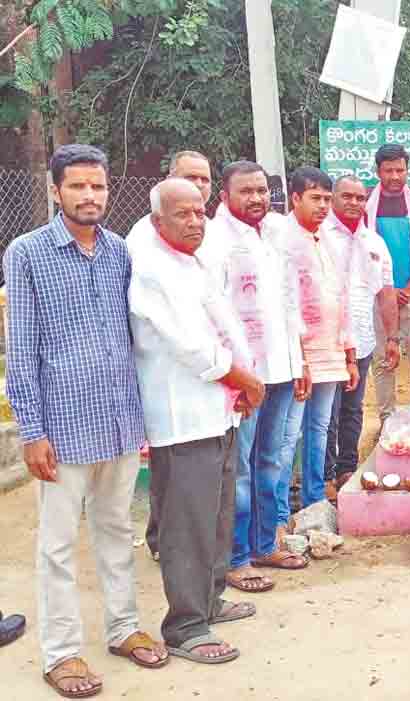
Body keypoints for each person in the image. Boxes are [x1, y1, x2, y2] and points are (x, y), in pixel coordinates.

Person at [4, 144, 168, 698]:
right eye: (77, 186)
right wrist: (32, 430)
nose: (89, 196)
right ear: (56, 191)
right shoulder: (27, 253)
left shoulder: (121, 252)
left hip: (120, 421)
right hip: (61, 428)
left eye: (97, 186)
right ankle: (62, 653)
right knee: (55, 546)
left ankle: (122, 628)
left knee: (116, 532)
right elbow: (21, 349)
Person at [129, 179, 266, 663]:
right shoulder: (149, 269)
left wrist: (245, 383)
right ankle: (184, 626)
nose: (193, 222)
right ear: (157, 220)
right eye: (181, 215)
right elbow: (189, 345)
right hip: (183, 414)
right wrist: (244, 380)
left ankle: (209, 600)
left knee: (217, 512)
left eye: (198, 213)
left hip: (220, 410)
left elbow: (225, 323)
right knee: (187, 523)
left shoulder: (193, 263)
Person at [200, 160, 311, 593]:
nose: (257, 198)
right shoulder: (215, 240)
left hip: (281, 370)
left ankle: (265, 545)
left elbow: (289, 301)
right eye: (246, 191)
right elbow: (212, 313)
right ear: (224, 196)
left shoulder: (274, 234)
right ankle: (236, 557)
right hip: (245, 378)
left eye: (262, 190)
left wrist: (298, 362)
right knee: (240, 468)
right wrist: (237, 377)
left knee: (272, 461)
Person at [130, 149, 215, 561]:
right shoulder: (144, 239)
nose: (199, 187)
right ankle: (164, 545)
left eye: (205, 181)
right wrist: (231, 371)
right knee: (173, 477)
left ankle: (180, 553)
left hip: (212, 386)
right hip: (174, 381)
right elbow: (174, 330)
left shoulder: (204, 232)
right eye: (190, 178)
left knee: (195, 487)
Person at [275, 168, 359, 526]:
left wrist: (350, 354)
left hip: (331, 351)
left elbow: (343, 298)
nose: (324, 206)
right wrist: (298, 359)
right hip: (299, 355)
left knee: (320, 429)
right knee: (287, 435)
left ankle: (313, 501)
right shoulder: (282, 239)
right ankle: (278, 512)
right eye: (316, 198)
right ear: (295, 199)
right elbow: (284, 303)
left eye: (327, 199)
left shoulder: (329, 240)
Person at [322, 175, 400, 492]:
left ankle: (346, 470)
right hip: (326, 344)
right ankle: (323, 477)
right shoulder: (319, 237)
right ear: (332, 198)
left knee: (353, 409)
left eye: (359, 197)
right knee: (326, 415)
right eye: (347, 196)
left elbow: (386, 293)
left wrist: (392, 338)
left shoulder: (374, 243)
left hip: (364, 340)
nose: (354, 203)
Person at [365, 144, 410, 422]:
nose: (395, 176)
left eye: (400, 170)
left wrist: (407, 288)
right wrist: (387, 290)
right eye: (388, 170)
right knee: (383, 359)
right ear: (378, 172)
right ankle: (386, 418)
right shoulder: (367, 205)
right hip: (378, 293)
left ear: (407, 171)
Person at [126, 150, 213, 256]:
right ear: (169, 180)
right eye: (191, 177)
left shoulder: (216, 232)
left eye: (205, 179)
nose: (199, 184)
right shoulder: (145, 233)